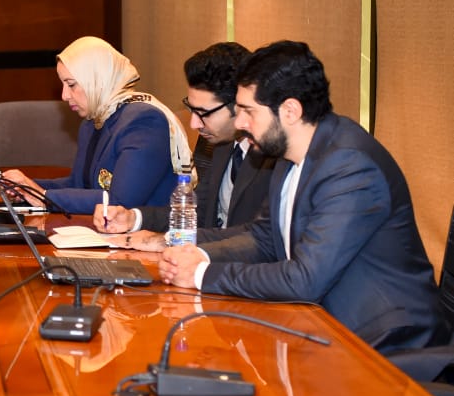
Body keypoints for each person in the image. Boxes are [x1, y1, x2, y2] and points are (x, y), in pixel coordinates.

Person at [159, 41, 440, 352]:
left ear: (290, 111)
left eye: (248, 111)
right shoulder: (287, 153)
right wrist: (199, 255)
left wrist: (202, 274)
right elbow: (264, 237)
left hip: (384, 345)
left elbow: (305, 279)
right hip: (320, 329)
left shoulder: (350, 166)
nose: (239, 123)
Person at [94, 42, 276, 247]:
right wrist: (133, 218)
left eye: (203, 113)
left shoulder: (273, 156)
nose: (194, 124)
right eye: (192, 110)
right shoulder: (222, 143)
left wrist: (167, 241)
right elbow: (198, 212)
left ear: (240, 104)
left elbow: (257, 236)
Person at [2, 36, 188, 214]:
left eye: (71, 85)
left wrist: (44, 196)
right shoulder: (93, 121)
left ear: (97, 80)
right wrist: (28, 188)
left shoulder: (144, 121)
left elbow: (121, 202)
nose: (64, 95)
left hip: (153, 232)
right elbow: (79, 185)